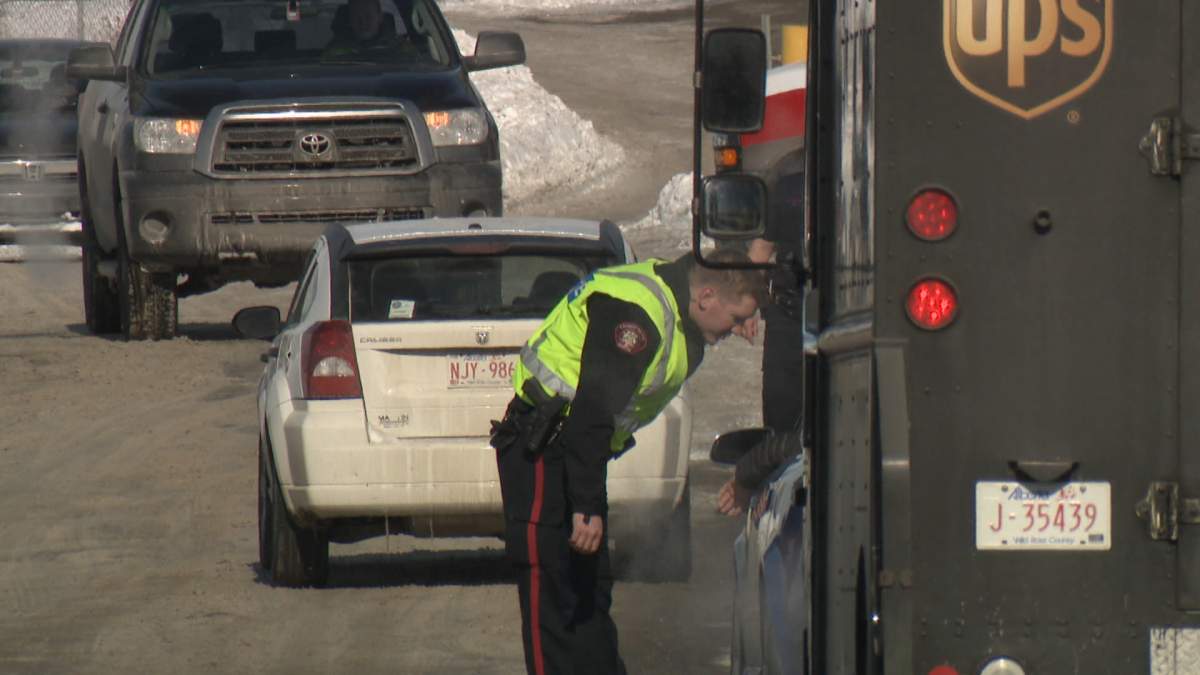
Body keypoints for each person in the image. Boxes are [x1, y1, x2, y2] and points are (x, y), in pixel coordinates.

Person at [491, 249, 766, 674]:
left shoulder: (679, 297)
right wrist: (585, 507)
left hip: (575, 451)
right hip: (543, 450)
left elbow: (705, 268)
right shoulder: (638, 318)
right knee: (555, 596)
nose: (734, 330)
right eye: (733, 320)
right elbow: (591, 413)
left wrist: (750, 297)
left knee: (590, 592)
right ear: (707, 296)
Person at [324, 0, 401, 55]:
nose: (363, 23)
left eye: (368, 17)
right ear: (350, 20)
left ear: (380, 17)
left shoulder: (400, 49)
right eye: (357, 17)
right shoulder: (334, 53)